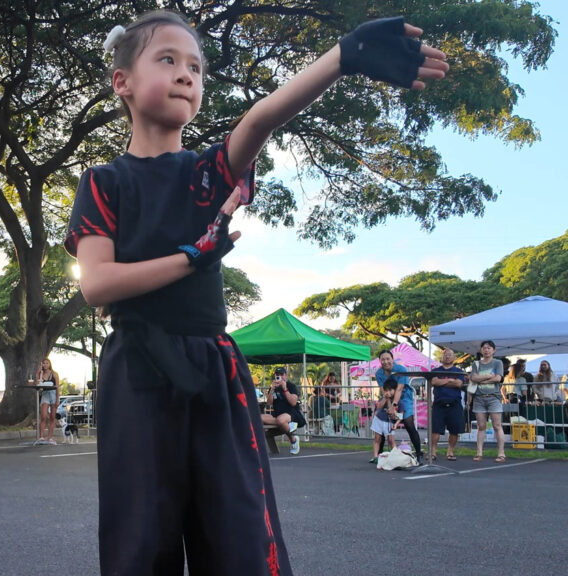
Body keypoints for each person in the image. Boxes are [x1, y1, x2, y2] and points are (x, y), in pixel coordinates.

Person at [65, 9, 445, 572]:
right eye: (166, 60)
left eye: (195, 66)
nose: (185, 74)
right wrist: (191, 258)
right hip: (137, 371)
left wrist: (342, 58)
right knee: (140, 538)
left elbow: (262, 117)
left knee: (240, 531)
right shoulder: (104, 181)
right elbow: (98, 285)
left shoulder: (207, 171)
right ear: (121, 81)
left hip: (215, 368)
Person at [376, 349, 422, 459]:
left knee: (408, 423)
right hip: (388, 397)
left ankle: (419, 454)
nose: (386, 361)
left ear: (392, 359)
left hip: (404, 397)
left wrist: (394, 405)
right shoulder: (379, 373)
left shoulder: (401, 369)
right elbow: (384, 392)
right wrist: (388, 406)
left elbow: (399, 389)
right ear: (380, 361)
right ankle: (379, 455)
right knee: (382, 423)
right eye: (383, 359)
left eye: (388, 359)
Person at [470, 340, 506, 463]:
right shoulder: (476, 364)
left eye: (489, 348)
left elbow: (498, 378)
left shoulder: (498, 362)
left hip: (493, 397)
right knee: (481, 426)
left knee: (497, 425)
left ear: (494, 350)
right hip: (479, 397)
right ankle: (479, 452)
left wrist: (482, 380)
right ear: (481, 350)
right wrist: (488, 377)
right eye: (484, 348)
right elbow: (473, 377)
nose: (486, 350)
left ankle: (501, 453)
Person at [430, 348, 466, 461]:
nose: (447, 356)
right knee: (436, 429)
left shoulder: (459, 371)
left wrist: (443, 382)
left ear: (454, 358)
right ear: (441, 357)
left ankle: (450, 451)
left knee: (454, 430)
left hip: (454, 403)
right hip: (439, 403)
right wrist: (450, 380)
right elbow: (434, 382)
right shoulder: (435, 371)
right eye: (445, 354)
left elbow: (458, 384)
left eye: (450, 355)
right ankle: (433, 452)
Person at [262, 367, 307, 455]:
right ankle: (287, 426)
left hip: (291, 413)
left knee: (280, 420)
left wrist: (285, 389)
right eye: (277, 375)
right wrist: (271, 390)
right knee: (258, 417)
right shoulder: (273, 387)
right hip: (277, 414)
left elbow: (293, 402)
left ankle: (294, 440)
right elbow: (269, 403)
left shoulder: (291, 386)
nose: (279, 377)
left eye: (281, 375)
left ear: (286, 376)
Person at [369, 379, 400, 464]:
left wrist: (396, 424)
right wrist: (385, 398)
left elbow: (395, 412)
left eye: (390, 390)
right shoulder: (383, 398)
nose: (388, 392)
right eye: (386, 390)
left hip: (389, 422)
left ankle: (396, 456)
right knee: (377, 438)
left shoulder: (397, 400)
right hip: (379, 419)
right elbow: (379, 407)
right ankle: (375, 456)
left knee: (391, 440)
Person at [35, 358, 60, 445]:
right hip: (45, 394)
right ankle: (41, 437)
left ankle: (49, 438)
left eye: (47, 363)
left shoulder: (54, 374)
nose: (45, 365)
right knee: (44, 416)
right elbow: (37, 385)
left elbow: (57, 387)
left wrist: (57, 399)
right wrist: (38, 373)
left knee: (52, 417)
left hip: (53, 394)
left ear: (49, 364)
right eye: (43, 363)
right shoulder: (41, 374)